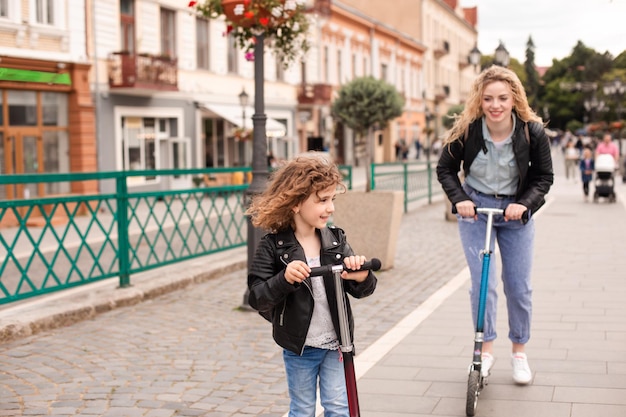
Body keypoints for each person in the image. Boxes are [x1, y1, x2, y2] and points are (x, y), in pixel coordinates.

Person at [436, 65, 553, 385]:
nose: (495, 105)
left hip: (516, 212)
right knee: (483, 284)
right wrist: (460, 199)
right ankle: (484, 352)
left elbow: (544, 178)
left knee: (518, 286)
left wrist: (524, 204)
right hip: (476, 210)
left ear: (514, 98)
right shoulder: (468, 130)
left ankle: (519, 352)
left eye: (502, 98)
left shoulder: (532, 131)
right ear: (480, 99)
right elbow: (445, 169)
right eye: (488, 98)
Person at [246, 154, 377, 416]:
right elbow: (257, 297)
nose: (331, 208)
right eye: (322, 200)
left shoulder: (335, 240)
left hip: (337, 343)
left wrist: (361, 276)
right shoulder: (274, 247)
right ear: (296, 203)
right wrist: (283, 279)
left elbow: (362, 288)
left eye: (332, 200)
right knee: (303, 410)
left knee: (339, 407)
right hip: (300, 347)